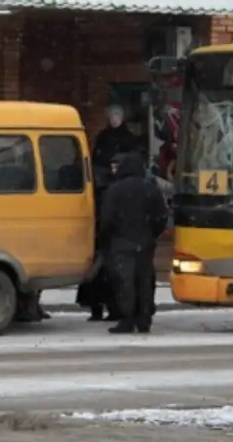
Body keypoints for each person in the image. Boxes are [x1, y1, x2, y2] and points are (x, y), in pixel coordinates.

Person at [99, 152, 168, 334]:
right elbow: (161, 216)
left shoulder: (115, 190)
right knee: (144, 282)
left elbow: (106, 219)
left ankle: (126, 319)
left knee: (124, 282)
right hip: (145, 244)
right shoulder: (150, 189)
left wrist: (106, 238)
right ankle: (144, 319)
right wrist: (152, 234)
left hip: (121, 244)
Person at [75, 160, 119, 322]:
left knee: (94, 276)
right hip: (108, 239)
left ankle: (96, 309)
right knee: (108, 277)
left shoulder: (90, 192)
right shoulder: (112, 189)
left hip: (94, 237)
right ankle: (111, 308)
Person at [92, 105, 136, 171]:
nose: (114, 119)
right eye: (112, 116)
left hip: (123, 170)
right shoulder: (103, 135)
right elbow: (97, 152)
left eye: (117, 116)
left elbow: (132, 154)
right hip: (105, 169)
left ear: (121, 118)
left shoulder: (128, 136)